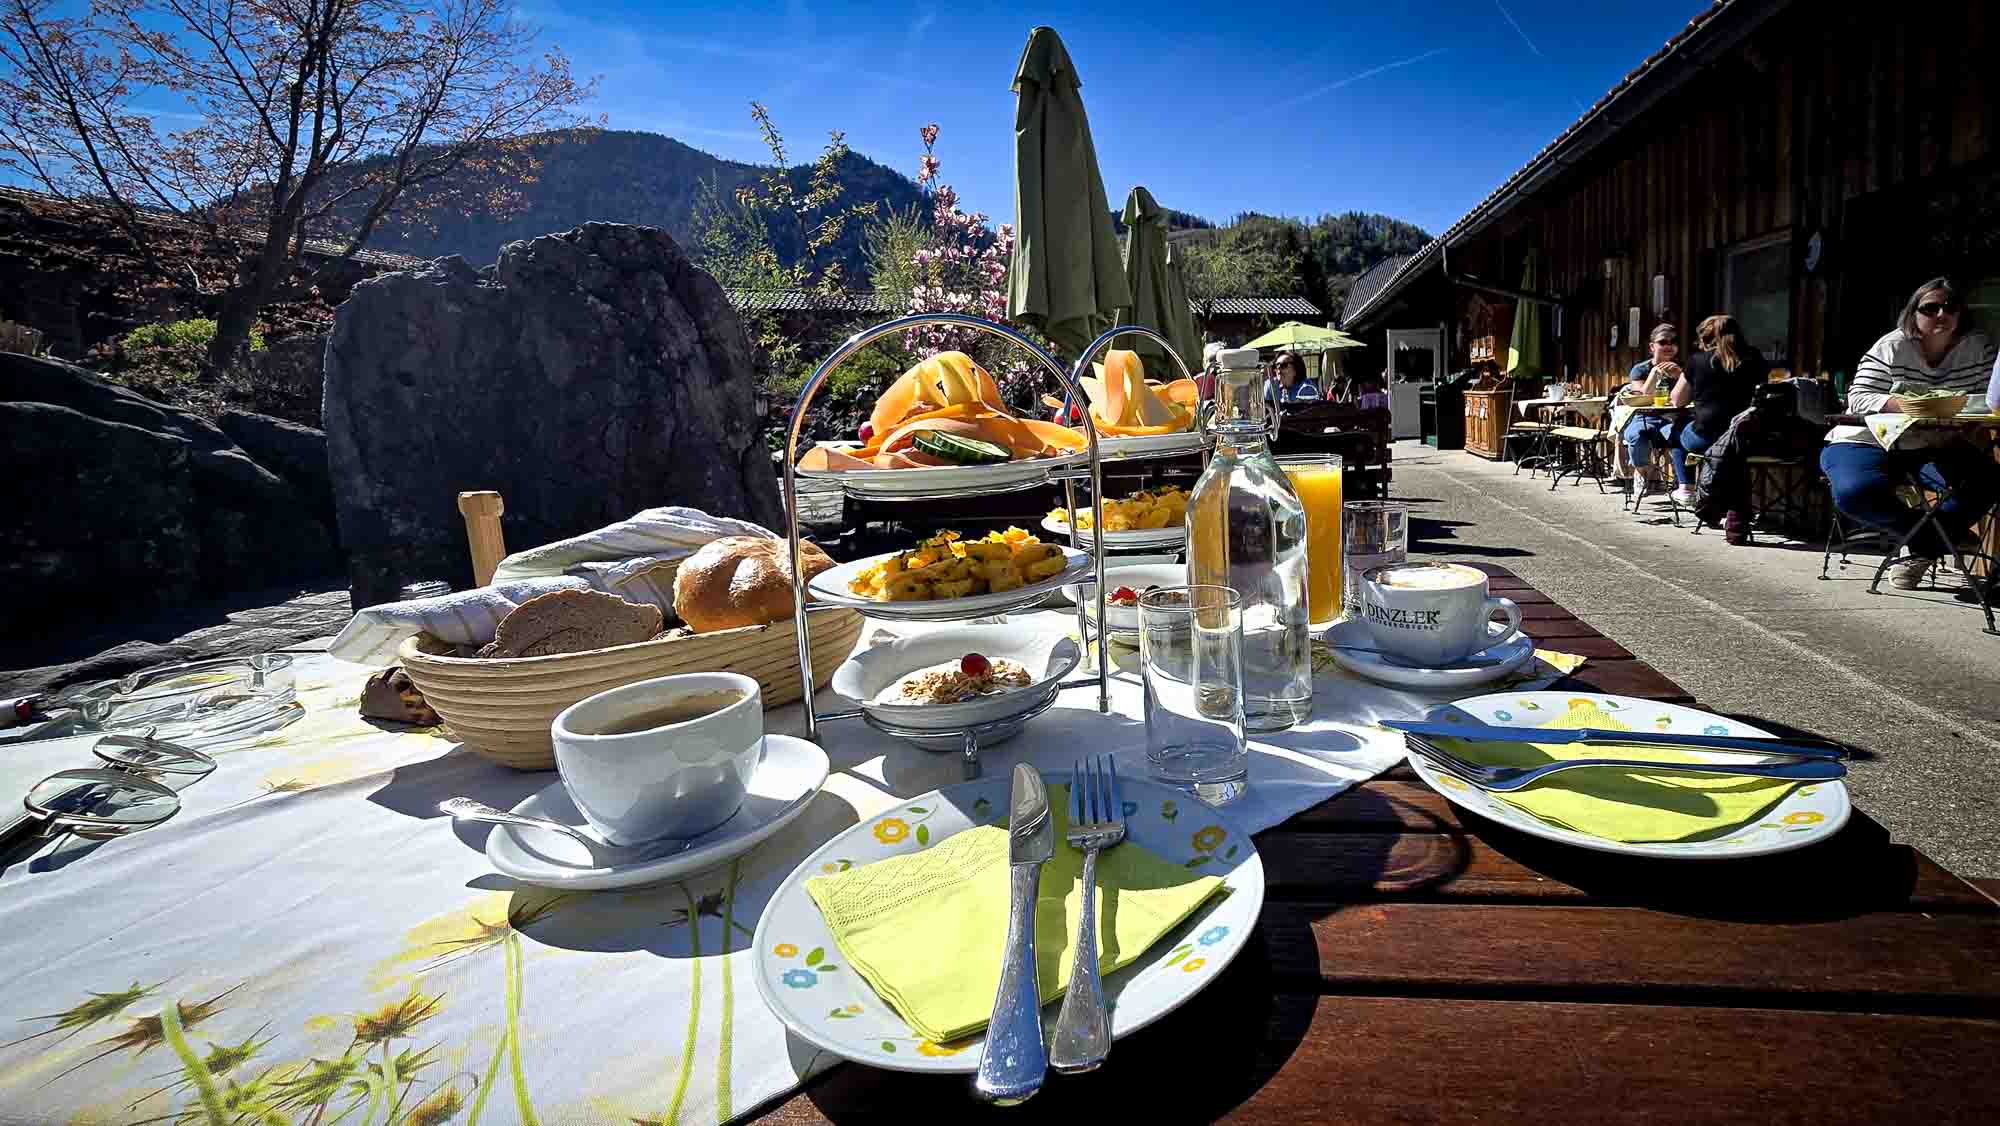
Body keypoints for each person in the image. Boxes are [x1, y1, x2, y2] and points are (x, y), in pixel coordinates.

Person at [1820, 277, 1998, 589]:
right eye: (1931, 308)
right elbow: (1858, 398)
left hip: (1936, 441)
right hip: (1869, 438)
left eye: (1950, 307)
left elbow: (1986, 398)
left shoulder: (1979, 347)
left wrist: (1962, 412)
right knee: (1854, 492)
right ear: (1913, 312)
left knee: (1989, 481)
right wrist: (1904, 404)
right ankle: (1939, 537)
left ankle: (1926, 546)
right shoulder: (1893, 345)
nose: (1942, 314)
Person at [1659, 314, 1765, 505]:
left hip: (1708, 437)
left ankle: (1686, 487)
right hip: (1749, 438)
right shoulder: (1755, 357)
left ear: (1706, 339)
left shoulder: (1698, 361)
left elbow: (1677, 400)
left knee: (1678, 429)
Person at [1617, 323, 1683, 486]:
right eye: (1663, 342)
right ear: (1652, 347)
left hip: (1674, 418)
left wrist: (1681, 376)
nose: (1668, 346)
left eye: (1673, 342)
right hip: (1645, 417)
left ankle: (1683, 484)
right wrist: (1654, 374)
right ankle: (1641, 471)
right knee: (1635, 435)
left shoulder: (1683, 368)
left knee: (1683, 436)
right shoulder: (1640, 369)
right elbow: (1641, 398)